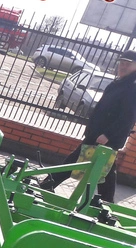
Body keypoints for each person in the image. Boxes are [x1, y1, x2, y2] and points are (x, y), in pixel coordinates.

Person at [41, 50, 136, 202]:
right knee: (102, 169)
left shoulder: (132, 87)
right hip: (97, 134)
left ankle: (48, 184)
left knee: (86, 163)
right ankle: (105, 201)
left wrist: (108, 135)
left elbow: (127, 118)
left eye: (128, 64)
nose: (123, 66)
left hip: (106, 138)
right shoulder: (117, 83)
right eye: (122, 63)